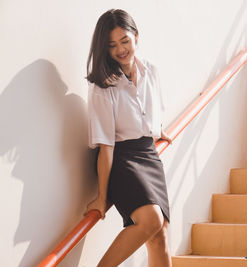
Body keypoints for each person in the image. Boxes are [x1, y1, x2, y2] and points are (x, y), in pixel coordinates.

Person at [83, 9, 172, 267]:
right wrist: (101, 196)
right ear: (104, 49)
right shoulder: (102, 86)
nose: (120, 49)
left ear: (136, 36)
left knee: (161, 237)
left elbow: (152, 113)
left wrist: (159, 130)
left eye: (125, 41)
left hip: (149, 155)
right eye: (112, 45)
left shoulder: (150, 72)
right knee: (151, 220)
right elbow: (106, 147)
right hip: (121, 158)